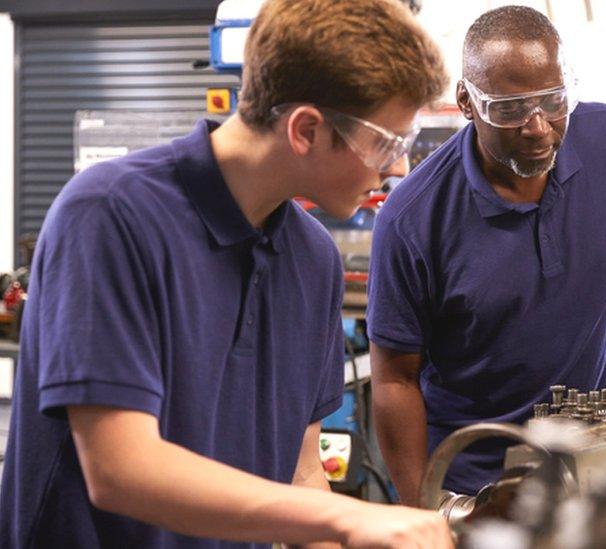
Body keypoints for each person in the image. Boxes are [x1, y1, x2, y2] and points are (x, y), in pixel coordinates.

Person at [0, 0, 453, 547]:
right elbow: (120, 468)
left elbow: (304, 472)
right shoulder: (109, 215)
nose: (399, 166)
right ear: (305, 129)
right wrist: (350, 518)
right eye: (386, 141)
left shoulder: (312, 260)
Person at [367, 5, 606, 505]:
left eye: (553, 100)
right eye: (510, 108)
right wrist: (426, 509)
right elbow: (395, 379)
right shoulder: (412, 219)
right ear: (466, 100)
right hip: (475, 484)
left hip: (594, 462)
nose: (538, 127)